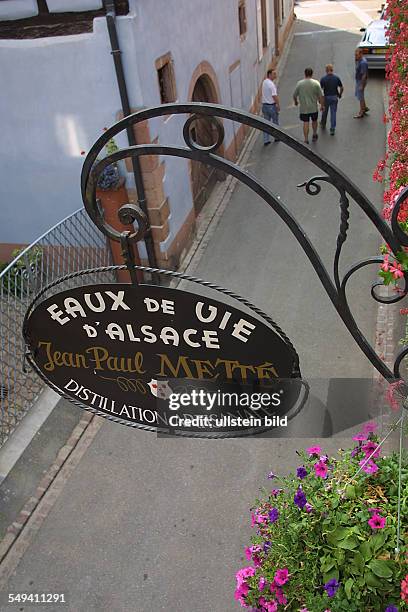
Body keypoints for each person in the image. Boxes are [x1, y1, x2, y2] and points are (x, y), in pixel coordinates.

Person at [293, 67, 324, 144]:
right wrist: (322, 105)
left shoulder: (300, 83)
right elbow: (321, 96)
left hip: (304, 108)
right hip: (313, 107)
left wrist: (296, 102)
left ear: (305, 74)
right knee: (314, 121)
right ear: (312, 74)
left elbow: (294, 95)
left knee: (306, 122)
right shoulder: (316, 83)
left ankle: (306, 139)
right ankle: (314, 133)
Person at [320, 64, 344, 135]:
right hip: (334, 97)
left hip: (326, 97)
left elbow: (320, 90)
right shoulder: (336, 78)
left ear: (326, 70)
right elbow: (342, 87)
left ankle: (323, 123)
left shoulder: (323, 79)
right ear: (332, 70)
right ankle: (332, 128)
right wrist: (340, 94)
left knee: (325, 111)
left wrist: (321, 99)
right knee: (333, 113)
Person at [261, 69, 280, 145]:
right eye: (274, 74)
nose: (275, 75)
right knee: (275, 122)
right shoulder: (271, 85)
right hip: (271, 106)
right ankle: (276, 137)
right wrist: (278, 104)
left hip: (265, 106)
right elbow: (274, 96)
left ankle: (266, 140)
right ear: (269, 75)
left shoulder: (264, 82)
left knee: (266, 123)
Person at [354, 49, 369, 118]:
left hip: (361, 81)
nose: (355, 56)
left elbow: (364, 75)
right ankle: (365, 108)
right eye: (355, 55)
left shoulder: (363, 63)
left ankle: (361, 112)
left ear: (361, 54)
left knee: (360, 97)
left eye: (356, 55)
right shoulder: (359, 60)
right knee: (361, 95)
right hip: (359, 80)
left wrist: (361, 85)